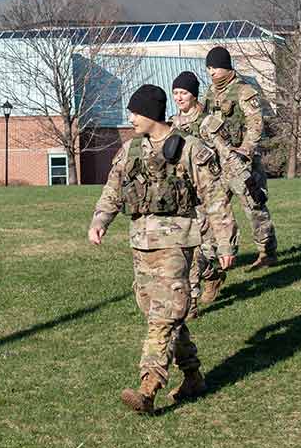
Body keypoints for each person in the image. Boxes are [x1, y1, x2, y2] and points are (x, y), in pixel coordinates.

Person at [88, 84, 237, 414]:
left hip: (176, 243)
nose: (130, 118)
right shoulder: (131, 151)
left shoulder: (190, 150)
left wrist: (227, 242)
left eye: (134, 113)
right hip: (142, 243)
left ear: (149, 113)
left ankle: (148, 386)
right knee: (162, 313)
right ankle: (193, 376)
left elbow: (215, 199)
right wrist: (100, 220)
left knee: (162, 317)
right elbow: (113, 189)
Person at [203, 46, 277, 270]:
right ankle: (215, 254)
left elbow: (256, 124)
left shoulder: (244, 90)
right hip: (218, 162)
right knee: (215, 208)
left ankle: (267, 252)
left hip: (241, 163)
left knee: (254, 208)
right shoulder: (210, 92)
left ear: (226, 67)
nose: (212, 72)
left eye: (215, 67)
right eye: (209, 68)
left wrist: (245, 149)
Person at [171, 71, 235, 311]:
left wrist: (230, 187)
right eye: (175, 93)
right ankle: (198, 295)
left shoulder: (209, 123)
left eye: (183, 93)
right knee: (188, 247)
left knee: (205, 248)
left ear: (193, 94)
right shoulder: (174, 123)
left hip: (209, 191)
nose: (178, 97)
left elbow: (227, 156)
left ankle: (202, 288)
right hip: (184, 195)